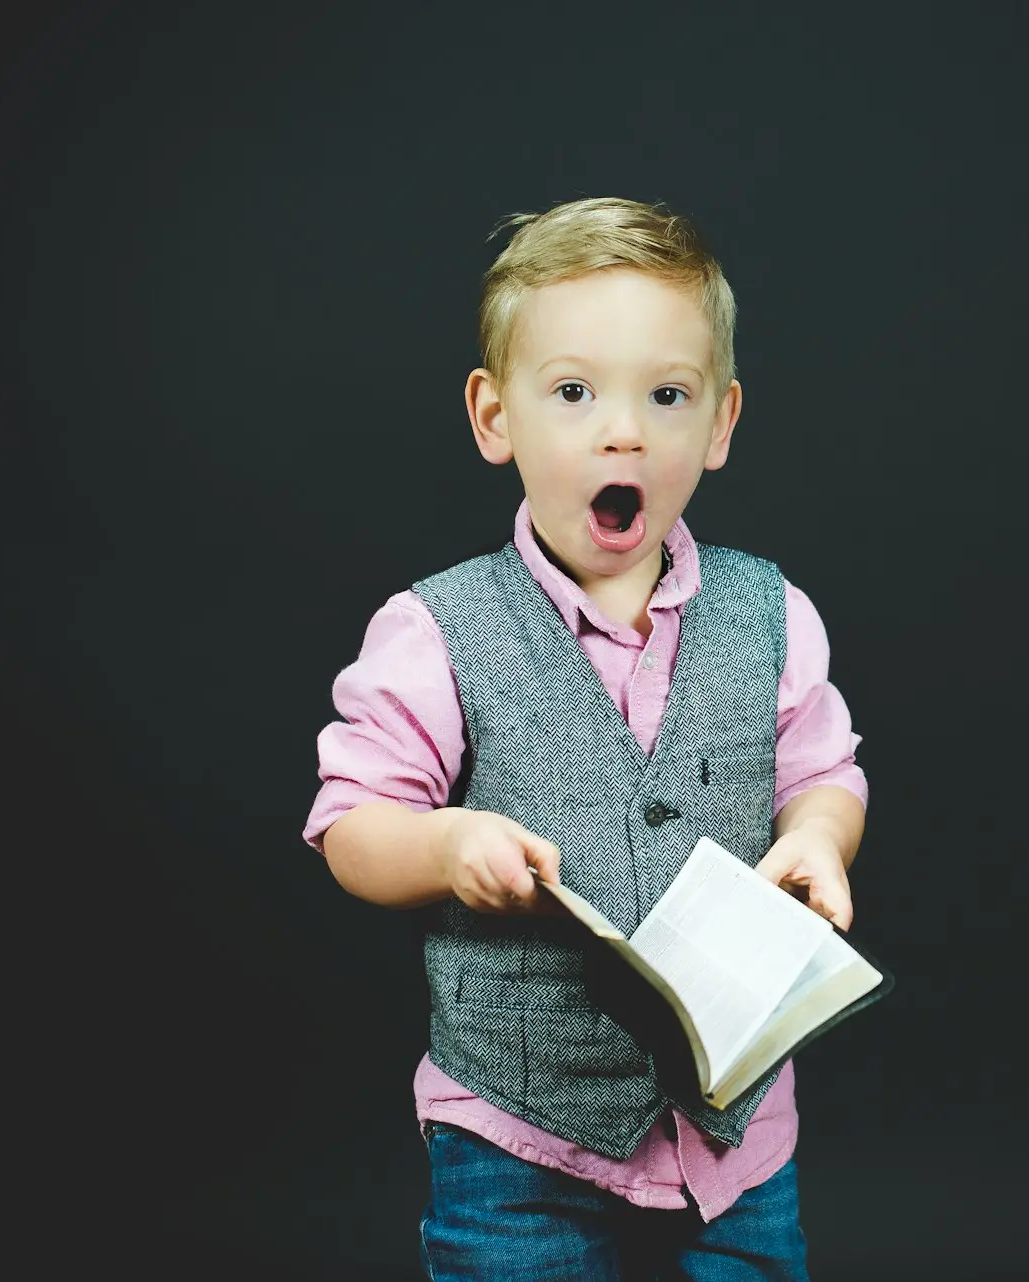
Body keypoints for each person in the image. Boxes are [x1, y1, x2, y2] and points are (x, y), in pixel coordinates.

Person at [302, 196, 868, 1281]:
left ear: (720, 424)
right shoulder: (437, 630)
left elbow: (824, 770)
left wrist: (821, 837)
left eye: (668, 394)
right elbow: (349, 825)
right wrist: (444, 844)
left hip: (734, 1139)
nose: (625, 430)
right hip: (518, 1134)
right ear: (493, 417)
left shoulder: (772, 612)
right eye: (573, 392)